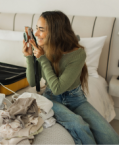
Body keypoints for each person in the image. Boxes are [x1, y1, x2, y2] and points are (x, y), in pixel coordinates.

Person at [22, 11, 119, 144]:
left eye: (41, 29)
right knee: (78, 125)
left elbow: (59, 87)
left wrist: (42, 58)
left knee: (111, 138)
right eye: (36, 28)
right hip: (52, 98)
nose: (37, 34)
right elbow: (34, 82)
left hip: (76, 99)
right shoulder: (42, 49)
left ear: (55, 32)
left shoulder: (77, 54)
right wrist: (29, 57)